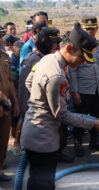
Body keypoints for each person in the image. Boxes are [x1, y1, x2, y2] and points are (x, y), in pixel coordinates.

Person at [20, 23, 99, 190]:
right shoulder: (56, 75)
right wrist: (94, 123)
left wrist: (40, 100)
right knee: (43, 183)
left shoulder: (48, 58)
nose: (83, 62)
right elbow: (62, 115)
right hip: (44, 138)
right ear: (69, 48)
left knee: (37, 180)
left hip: (35, 133)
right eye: (81, 57)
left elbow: (30, 82)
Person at [69, 16, 99, 157]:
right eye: (87, 28)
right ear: (82, 29)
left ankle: (95, 141)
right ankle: (77, 144)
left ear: (97, 28)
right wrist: (74, 92)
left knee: (98, 117)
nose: (90, 31)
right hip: (83, 90)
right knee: (80, 118)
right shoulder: (77, 47)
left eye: (92, 28)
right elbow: (73, 71)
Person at [16, 27, 61, 155]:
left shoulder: (52, 59)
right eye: (54, 43)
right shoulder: (31, 60)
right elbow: (25, 86)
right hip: (36, 110)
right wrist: (24, 108)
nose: (57, 47)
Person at [0, 30, 20, 182]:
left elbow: (10, 82)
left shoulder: (5, 57)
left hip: (5, 106)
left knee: (3, 139)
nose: (0, 39)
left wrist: (15, 103)